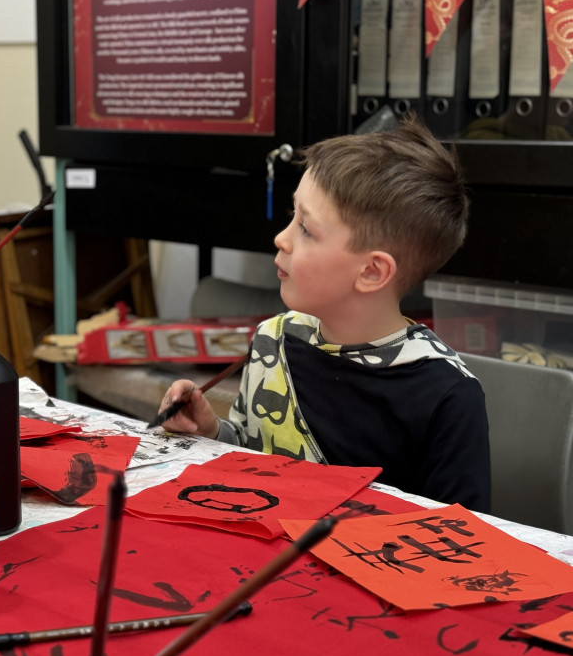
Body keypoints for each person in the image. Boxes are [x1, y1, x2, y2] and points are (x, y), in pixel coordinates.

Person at [157, 115, 491, 511]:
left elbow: (463, 539)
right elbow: (253, 458)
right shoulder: (274, 339)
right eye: (292, 216)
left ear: (371, 272)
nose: (281, 238)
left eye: (307, 230)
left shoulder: (448, 396)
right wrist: (210, 430)